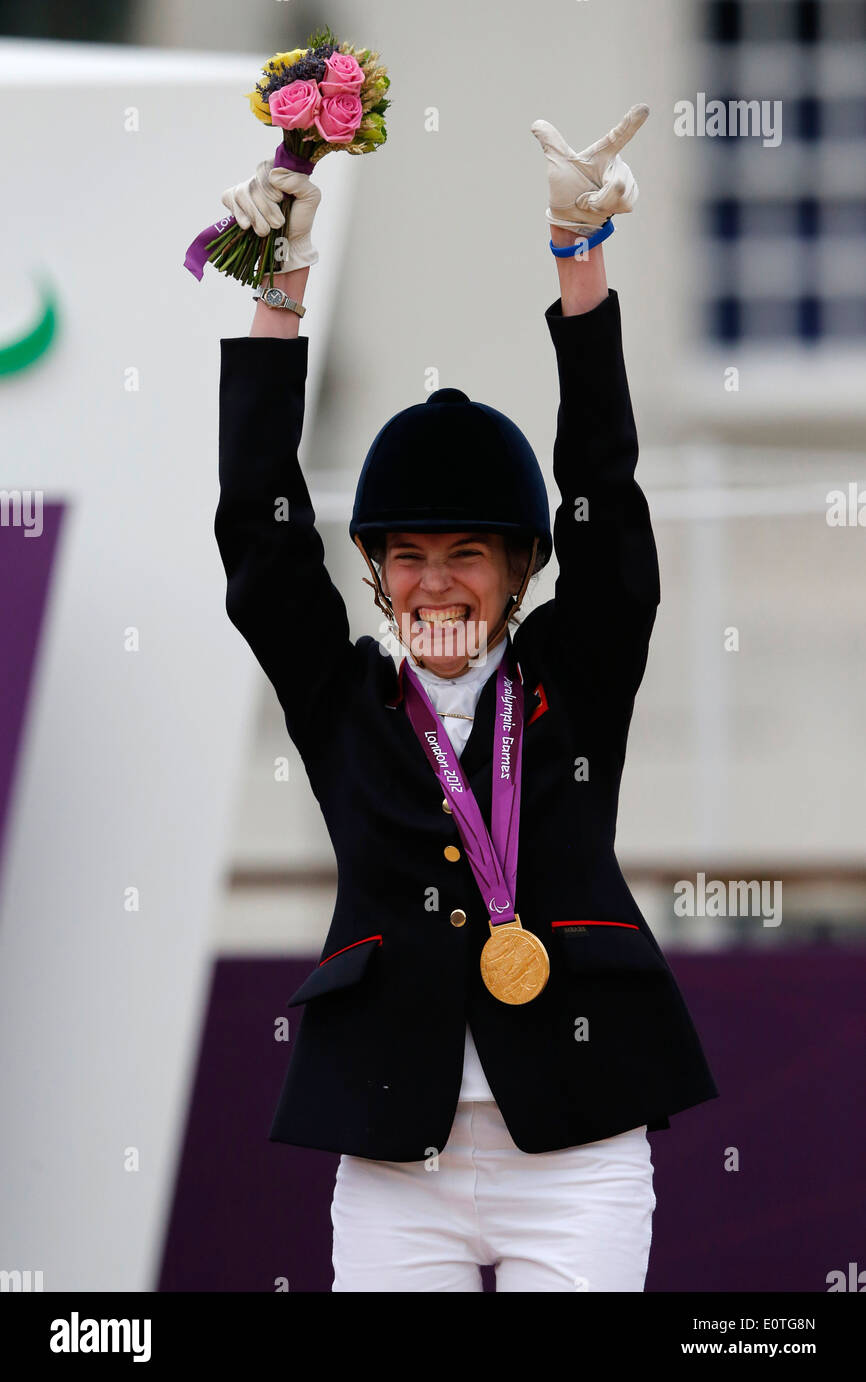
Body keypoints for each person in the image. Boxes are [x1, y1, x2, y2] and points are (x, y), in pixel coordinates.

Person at [215, 103, 719, 1292]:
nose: (434, 580)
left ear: (520, 570)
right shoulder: (342, 699)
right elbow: (258, 528)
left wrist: (574, 252)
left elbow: (604, 489)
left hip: (577, 1153)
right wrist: (277, 284)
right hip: (398, 1163)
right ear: (378, 577)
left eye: (467, 553)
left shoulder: (573, 679)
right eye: (407, 556)